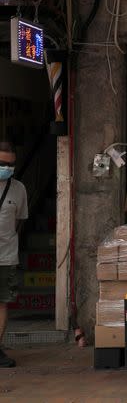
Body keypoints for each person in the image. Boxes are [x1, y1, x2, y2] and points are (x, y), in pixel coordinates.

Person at [0, 142, 26, 368]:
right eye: (2, 163)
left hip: (6, 256)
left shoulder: (19, 189)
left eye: (10, 164)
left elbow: (18, 223)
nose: (6, 167)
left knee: (2, 303)